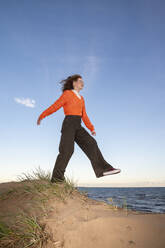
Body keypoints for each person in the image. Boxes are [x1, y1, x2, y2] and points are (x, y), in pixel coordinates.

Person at [37, 74, 121, 183]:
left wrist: (91, 128)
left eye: (83, 81)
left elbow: (84, 115)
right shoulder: (67, 94)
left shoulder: (81, 99)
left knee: (91, 143)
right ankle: (57, 179)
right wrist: (42, 115)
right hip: (69, 124)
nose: (83, 83)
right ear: (74, 83)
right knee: (67, 150)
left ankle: (104, 169)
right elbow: (55, 106)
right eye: (80, 81)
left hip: (78, 124)